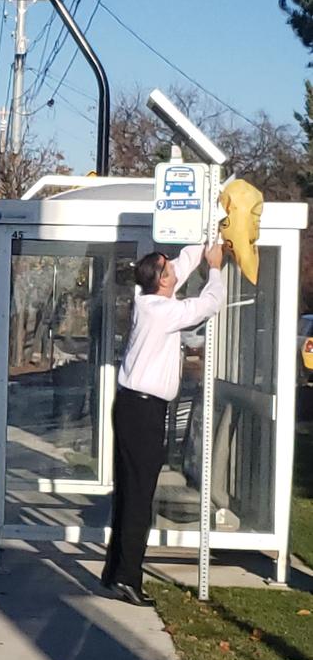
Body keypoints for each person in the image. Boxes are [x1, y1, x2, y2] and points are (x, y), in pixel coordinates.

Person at [102, 242, 226, 606]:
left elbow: (183, 264)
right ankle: (127, 578)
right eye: (166, 269)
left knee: (129, 492)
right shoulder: (160, 311)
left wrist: (207, 238)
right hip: (142, 412)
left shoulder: (151, 300)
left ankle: (115, 573)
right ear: (160, 282)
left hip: (135, 408)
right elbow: (208, 304)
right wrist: (215, 268)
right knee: (139, 496)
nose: (173, 268)